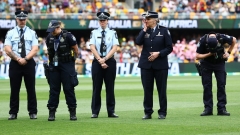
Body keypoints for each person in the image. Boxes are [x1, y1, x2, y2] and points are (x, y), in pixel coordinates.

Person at [135, 11, 173, 120]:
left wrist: (159, 53)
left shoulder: (164, 30)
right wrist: (143, 30)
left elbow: (169, 48)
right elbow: (138, 42)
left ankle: (162, 112)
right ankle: (148, 112)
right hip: (146, 65)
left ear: (155, 20)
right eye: (145, 19)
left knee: (161, 90)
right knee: (147, 90)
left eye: (148, 19)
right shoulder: (144, 30)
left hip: (160, 65)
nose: (146, 21)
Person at [4, 10, 38, 120]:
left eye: (24, 19)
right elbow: (7, 49)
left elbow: (35, 49)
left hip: (29, 62)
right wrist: (18, 58)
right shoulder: (10, 33)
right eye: (20, 19)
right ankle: (13, 112)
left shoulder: (32, 33)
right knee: (14, 89)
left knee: (31, 88)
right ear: (16, 19)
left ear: (26, 19)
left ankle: (32, 112)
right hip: (15, 63)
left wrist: (26, 58)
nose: (22, 21)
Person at [45, 20, 79, 121]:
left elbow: (76, 49)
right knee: (54, 89)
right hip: (54, 65)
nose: (51, 32)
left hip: (67, 64)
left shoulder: (68, 36)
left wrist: (71, 62)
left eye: (53, 29)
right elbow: (49, 51)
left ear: (58, 28)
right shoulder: (49, 37)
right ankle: (52, 112)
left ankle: (72, 112)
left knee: (68, 88)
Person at [196, 31, 236, 116]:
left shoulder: (222, 37)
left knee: (221, 85)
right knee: (207, 86)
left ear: (218, 41)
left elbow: (234, 40)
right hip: (206, 63)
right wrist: (209, 54)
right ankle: (208, 109)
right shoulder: (203, 40)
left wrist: (228, 53)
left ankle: (222, 109)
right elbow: (197, 56)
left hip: (219, 63)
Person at [89, 12, 119, 118]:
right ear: (99, 21)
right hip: (97, 60)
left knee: (110, 87)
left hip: (109, 60)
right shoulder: (94, 32)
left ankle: (111, 111)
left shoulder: (112, 32)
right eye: (100, 20)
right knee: (96, 87)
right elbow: (92, 47)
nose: (102, 22)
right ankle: (95, 111)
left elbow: (115, 47)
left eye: (104, 20)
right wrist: (100, 60)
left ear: (107, 21)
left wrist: (105, 59)